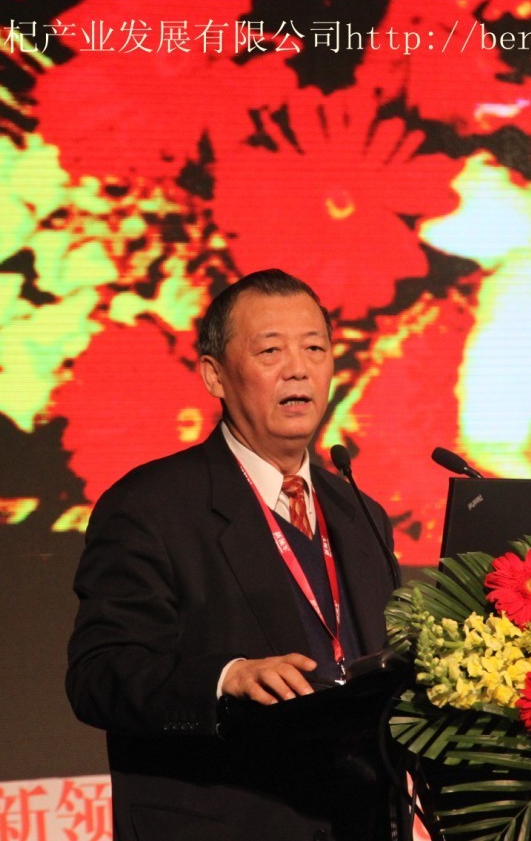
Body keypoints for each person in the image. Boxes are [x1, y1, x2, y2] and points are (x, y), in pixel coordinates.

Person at [66, 269, 399, 841]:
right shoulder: (150, 506)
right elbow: (100, 676)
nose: (298, 369)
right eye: (271, 350)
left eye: (314, 349)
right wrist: (226, 679)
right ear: (213, 375)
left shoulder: (359, 512)